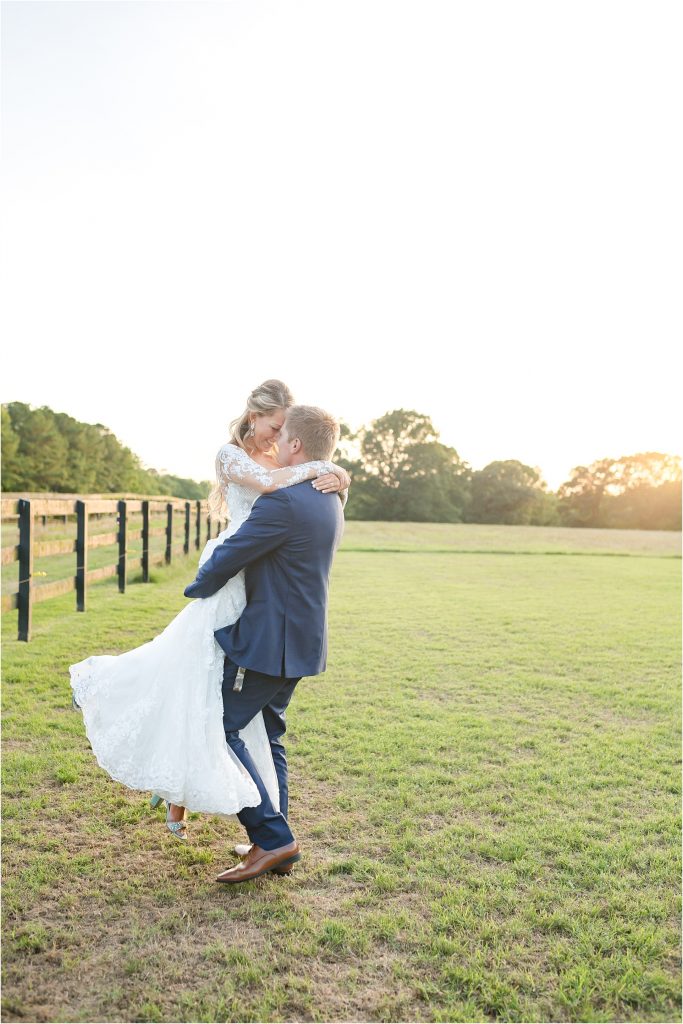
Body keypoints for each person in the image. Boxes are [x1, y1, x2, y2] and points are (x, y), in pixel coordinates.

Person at [70, 380, 349, 841]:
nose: (275, 438)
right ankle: (105, 686)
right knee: (189, 671)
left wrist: (333, 472)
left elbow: (292, 498)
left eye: (283, 432)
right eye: (272, 427)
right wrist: (329, 468)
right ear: (254, 417)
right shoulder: (237, 457)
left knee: (225, 704)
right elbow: (268, 486)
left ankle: (265, 830)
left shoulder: (294, 468)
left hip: (260, 584)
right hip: (234, 572)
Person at [184, 403, 345, 882]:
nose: (276, 444)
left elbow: (234, 552)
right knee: (269, 734)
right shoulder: (329, 498)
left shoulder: (285, 500)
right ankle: (273, 842)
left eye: (283, 437)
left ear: (295, 445)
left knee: (220, 726)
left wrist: (198, 586)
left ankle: (274, 839)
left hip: (269, 641)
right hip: (302, 640)